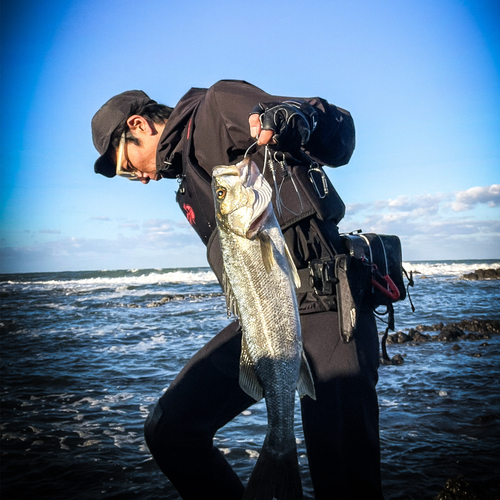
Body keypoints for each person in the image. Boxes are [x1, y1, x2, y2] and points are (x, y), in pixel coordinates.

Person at [91, 80, 384, 500]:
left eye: (127, 165)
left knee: (344, 484)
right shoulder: (187, 186)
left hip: (327, 303)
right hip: (266, 321)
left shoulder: (217, 105)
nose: (137, 178)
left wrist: (300, 120)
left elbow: (341, 135)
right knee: (170, 429)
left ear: (139, 124)